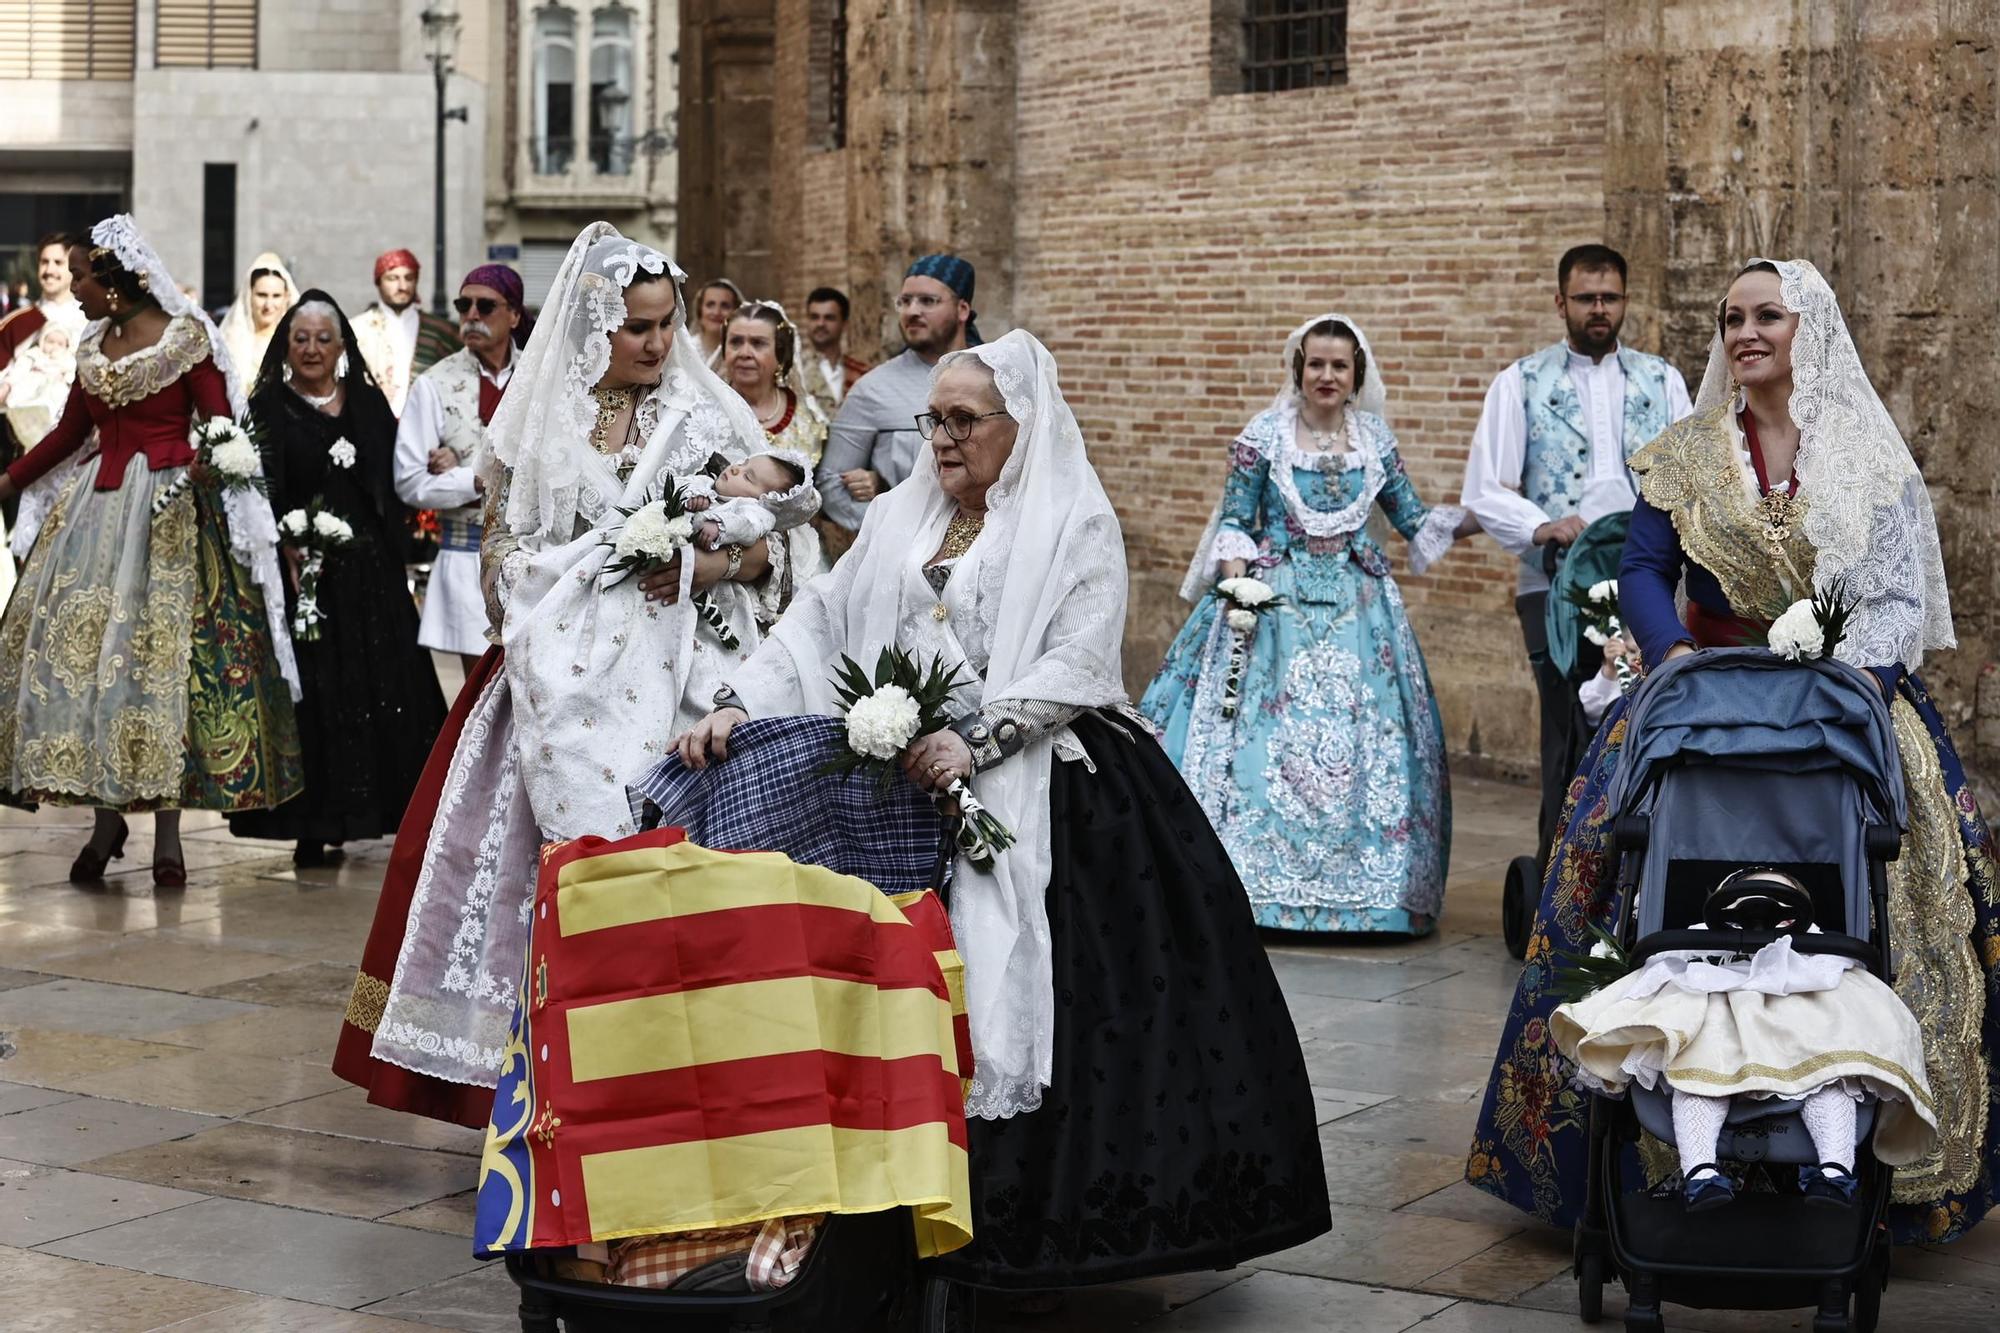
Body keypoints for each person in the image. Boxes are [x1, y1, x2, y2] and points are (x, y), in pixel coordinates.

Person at [671, 329, 1330, 1289]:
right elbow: (819, 616)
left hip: (1041, 774)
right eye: (932, 419)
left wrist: (977, 737)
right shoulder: (902, 513)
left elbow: (1079, 659)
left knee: (1036, 987)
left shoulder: (1074, 519)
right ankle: (870, 1206)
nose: (941, 439)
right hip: (891, 782)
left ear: (1020, 425)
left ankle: (1008, 1227)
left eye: (963, 420)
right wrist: (740, 700)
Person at [1468, 258, 2000, 1246]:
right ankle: (1649, 1145)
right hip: (1699, 697)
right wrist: (1671, 662)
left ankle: (1863, 1148)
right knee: (1616, 869)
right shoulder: (1681, 453)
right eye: (1728, 319)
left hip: (1842, 705)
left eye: (1765, 316)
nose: (1742, 332)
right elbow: (1642, 568)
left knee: (1891, 894)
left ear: (1811, 330)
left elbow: (1886, 600)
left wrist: (1846, 686)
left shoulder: (1865, 459)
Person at [334, 224, 819, 1127]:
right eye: (637, 326)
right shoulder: (542, 417)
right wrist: (562, 598)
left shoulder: (708, 418)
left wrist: (712, 568)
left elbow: (785, 545)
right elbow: (507, 546)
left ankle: (689, 1072)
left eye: (668, 323)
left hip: (691, 669)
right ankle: (548, 1079)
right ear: (596, 324)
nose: (657, 343)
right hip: (560, 670)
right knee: (550, 864)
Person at [1141, 314, 1476, 935]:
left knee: (1369, 745)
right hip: (1273, 602)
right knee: (1259, 746)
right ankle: (1246, 887)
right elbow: (1237, 521)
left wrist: (1495, 518)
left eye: (1338, 366)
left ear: (1356, 376)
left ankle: (1372, 900)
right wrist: (1238, 590)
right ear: (1298, 371)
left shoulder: (1373, 438)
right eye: (1315, 364)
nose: (1326, 375)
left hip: (1360, 604)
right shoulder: (1263, 435)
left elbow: (1412, 517)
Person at [0, 217, 301, 886]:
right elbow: (70, 431)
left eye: (82, 275)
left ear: (115, 282)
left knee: (160, 668)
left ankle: (168, 835)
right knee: (91, 666)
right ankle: (106, 821)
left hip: (171, 518)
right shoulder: (92, 345)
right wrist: (12, 478)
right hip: (97, 516)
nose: (74, 286)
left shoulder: (186, 339)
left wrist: (203, 465)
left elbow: (222, 424)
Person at [1460, 244, 1691, 869]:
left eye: (1609, 298)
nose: (1598, 309)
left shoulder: (1663, 381)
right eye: (1585, 297)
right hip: (1554, 585)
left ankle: (1645, 871)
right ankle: (1557, 881)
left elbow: (1692, 476)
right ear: (1561, 302)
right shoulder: (1519, 383)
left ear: (1624, 302)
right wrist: (1543, 526)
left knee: (1650, 715)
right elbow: (1484, 490)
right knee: (1566, 731)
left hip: (1650, 583)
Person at [226, 292, 447, 866]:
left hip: (368, 574)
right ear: (286, 345)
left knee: (385, 690)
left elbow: (400, 473)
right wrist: (286, 541)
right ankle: (313, 824)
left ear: (342, 345)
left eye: (324, 339)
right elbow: (256, 487)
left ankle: (390, 814)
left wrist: (440, 460)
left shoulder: (368, 406)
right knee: (316, 693)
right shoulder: (269, 407)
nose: (312, 350)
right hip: (303, 573)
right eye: (301, 339)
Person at [393, 265, 523, 673]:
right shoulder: (434, 383)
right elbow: (410, 481)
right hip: (466, 556)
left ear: (514, 315)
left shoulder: (539, 379)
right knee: (479, 690)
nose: (471, 315)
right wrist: (474, 479)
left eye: (485, 306)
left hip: (536, 555)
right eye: (463, 305)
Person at [814, 254, 979, 541]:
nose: (912, 311)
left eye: (928, 301)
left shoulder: (1000, 378)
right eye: (905, 301)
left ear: (962, 309)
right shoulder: (873, 389)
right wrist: (894, 527)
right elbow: (830, 484)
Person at [351, 248, 462, 414]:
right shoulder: (357, 329)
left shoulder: (441, 330)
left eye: (408, 278)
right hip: (371, 423)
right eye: (393, 278)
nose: (402, 286)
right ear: (378, 282)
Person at [722, 300, 829, 463]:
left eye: (758, 343)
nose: (744, 353)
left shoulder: (806, 416)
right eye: (736, 342)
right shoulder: (707, 410)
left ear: (780, 354)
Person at [217, 251, 302, 384]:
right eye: (262, 295)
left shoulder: (296, 343)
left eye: (276, 296)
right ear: (249, 296)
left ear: (286, 297)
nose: (268, 305)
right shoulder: (229, 341)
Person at [797, 285, 870, 421]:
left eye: (829, 318)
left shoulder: (862, 373)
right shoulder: (794, 371)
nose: (820, 323)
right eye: (814, 317)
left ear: (845, 324)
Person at [692, 277, 743, 371]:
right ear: (700, 310)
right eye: (710, 305)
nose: (716, 312)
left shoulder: (743, 352)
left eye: (725, 306)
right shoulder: (686, 349)